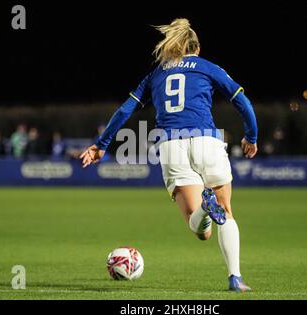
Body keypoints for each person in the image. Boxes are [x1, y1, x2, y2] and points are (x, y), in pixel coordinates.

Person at [80, 18, 258, 292]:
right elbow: (241, 101)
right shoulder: (207, 67)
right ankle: (235, 278)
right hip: (205, 141)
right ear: (196, 49)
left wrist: (101, 145)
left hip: (171, 146)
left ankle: (204, 208)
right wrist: (251, 136)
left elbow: (125, 110)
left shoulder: (156, 75)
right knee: (226, 212)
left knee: (200, 230)